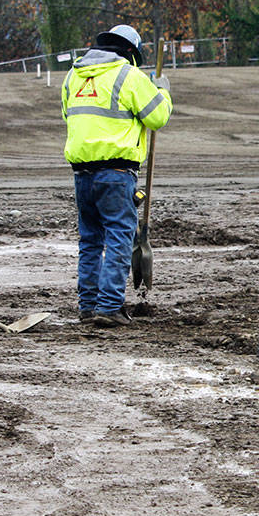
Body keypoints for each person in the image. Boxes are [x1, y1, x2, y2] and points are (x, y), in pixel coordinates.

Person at [61, 24, 172, 327]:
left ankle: (88, 305)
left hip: (82, 173)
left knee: (90, 240)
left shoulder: (73, 76)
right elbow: (158, 117)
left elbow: (68, 115)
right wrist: (162, 90)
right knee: (121, 236)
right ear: (130, 52)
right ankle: (109, 306)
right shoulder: (129, 76)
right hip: (116, 172)